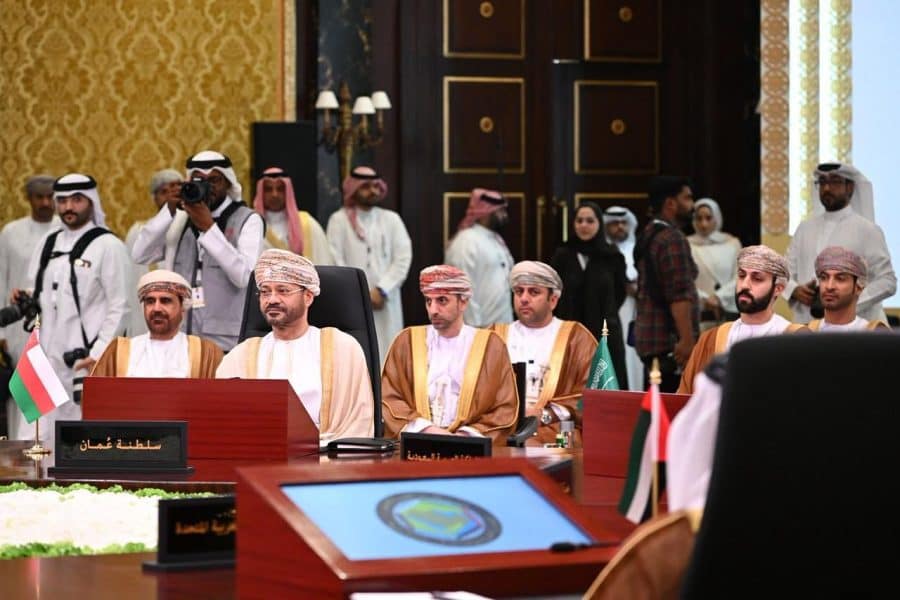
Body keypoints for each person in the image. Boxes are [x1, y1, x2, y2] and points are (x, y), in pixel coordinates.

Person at [8, 174, 132, 442]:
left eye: (77, 200)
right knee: (33, 438)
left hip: (83, 362)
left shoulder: (109, 246)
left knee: (77, 441)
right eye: (62, 200)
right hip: (42, 358)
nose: (68, 207)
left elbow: (120, 307)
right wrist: (25, 296)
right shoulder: (48, 242)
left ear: (91, 201)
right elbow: (40, 290)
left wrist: (98, 354)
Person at [216, 249, 374, 443]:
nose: (272, 299)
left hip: (328, 456)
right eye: (265, 292)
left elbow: (358, 424)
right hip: (258, 456)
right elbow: (225, 423)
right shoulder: (239, 356)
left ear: (308, 297)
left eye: (283, 290)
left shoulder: (343, 348)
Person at [131, 150, 264, 351]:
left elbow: (244, 277)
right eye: (199, 180)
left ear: (228, 183)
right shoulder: (180, 219)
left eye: (214, 180)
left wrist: (209, 228)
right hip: (182, 338)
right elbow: (140, 254)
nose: (207, 187)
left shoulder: (247, 219)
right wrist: (168, 212)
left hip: (227, 341)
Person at [381, 265, 518, 444]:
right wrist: (428, 430)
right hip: (417, 442)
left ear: (463, 302)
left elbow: (504, 409)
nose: (433, 310)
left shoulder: (491, 346)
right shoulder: (406, 341)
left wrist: (462, 438)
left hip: (470, 447)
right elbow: (389, 398)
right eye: (428, 301)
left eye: (442, 300)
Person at [491, 261, 597, 446]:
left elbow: (593, 394)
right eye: (519, 292)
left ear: (553, 300)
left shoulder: (576, 338)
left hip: (555, 428)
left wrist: (546, 414)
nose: (524, 299)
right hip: (502, 428)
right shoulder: (494, 336)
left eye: (534, 292)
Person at [678, 245, 807, 394]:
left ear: (778, 289)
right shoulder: (710, 339)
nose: (745, 285)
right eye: (741, 275)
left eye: (757, 279)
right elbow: (685, 397)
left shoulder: (797, 338)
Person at [784, 162, 896, 324]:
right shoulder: (804, 229)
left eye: (834, 182)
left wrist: (849, 303)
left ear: (850, 187)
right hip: (809, 325)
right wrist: (794, 290)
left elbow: (887, 281)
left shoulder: (867, 230)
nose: (827, 188)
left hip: (856, 326)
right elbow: (783, 272)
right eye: (822, 182)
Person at [326, 166, 411, 366]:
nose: (372, 191)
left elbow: (403, 258)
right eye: (365, 187)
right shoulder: (338, 220)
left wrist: (382, 290)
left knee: (387, 356)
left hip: (386, 302)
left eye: (375, 186)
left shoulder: (391, 219)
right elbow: (335, 260)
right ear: (353, 189)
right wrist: (362, 293)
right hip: (353, 301)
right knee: (356, 357)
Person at [1, 175, 60, 437]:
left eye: (50, 197)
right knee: (22, 391)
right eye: (39, 197)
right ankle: (22, 449)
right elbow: (1, 280)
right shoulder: (11, 232)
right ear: (29, 199)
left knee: (52, 389)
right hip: (17, 327)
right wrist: (1, 332)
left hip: (56, 326)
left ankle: (51, 448)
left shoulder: (63, 230)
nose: (45, 202)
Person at [633, 176, 699, 392]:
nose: (692, 205)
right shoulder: (672, 238)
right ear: (671, 203)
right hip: (670, 343)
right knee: (673, 408)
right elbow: (679, 293)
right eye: (687, 198)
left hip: (652, 340)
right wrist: (686, 339)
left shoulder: (648, 233)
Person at [550, 202, 627, 388]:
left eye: (590, 221)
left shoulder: (612, 256)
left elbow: (619, 293)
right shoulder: (562, 255)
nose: (584, 225)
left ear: (599, 223)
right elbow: (554, 291)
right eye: (579, 221)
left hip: (605, 332)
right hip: (570, 333)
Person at [91, 270, 223, 377]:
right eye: (150, 301)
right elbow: (96, 396)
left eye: (165, 301)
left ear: (182, 306)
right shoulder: (118, 352)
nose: (156, 308)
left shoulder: (206, 353)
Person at [124, 168, 184, 336]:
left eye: (175, 189)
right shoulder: (140, 231)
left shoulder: (190, 225)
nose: (169, 196)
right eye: (164, 192)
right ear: (154, 197)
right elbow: (132, 274)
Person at [445, 188, 515, 328]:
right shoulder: (466, 241)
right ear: (486, 212)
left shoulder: (495, 239)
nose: (505, 216)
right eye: (500, 211)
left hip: (502, 325)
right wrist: (473, 327)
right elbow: (461, 287)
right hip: (478, 328)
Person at [253, 167, 334, 265]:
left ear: (287, 192)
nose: (275, 194)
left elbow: (324, 260)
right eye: (268, 189)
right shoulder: (253, 226)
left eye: (280, 189)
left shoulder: (306, 223)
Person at [602, 205, 644, 392]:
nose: (620, 227)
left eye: (623, 223)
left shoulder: (638, 249)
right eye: (614, 223)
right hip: (612, 311)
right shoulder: (604, 253)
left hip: (636, 310)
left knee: (634, 358)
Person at [806, 246, 890, 331]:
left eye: (840, 279)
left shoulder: (875, 332)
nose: (829, 286)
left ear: (858, 287)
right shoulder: (807, 331)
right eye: (824, 278)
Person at [688, 198, 742, 331]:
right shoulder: (687, 244)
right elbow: (684, 279)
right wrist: (706, 299)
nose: (704, 224)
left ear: (716, 218)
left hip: (727, 310)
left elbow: (739, 276)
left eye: (708, 218)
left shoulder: (732, 243)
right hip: (699, 311)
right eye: (699, 218)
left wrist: (719, 297)